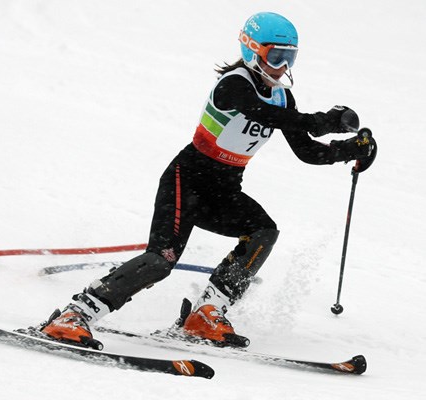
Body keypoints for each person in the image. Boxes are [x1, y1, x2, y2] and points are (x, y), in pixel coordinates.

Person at [38, 12, 375, 347]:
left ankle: (206, 314)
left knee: (263, 232)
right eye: (276, 56)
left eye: (289, 58)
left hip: (224, 191)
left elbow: (308, 151)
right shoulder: (234, 85)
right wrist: (321, 121)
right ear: (251, 50)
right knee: (160, 261)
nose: (282, 66)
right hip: (186, 182)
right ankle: (74, 314)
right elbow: (262, 114)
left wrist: (351, 149)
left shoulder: (282, 97)